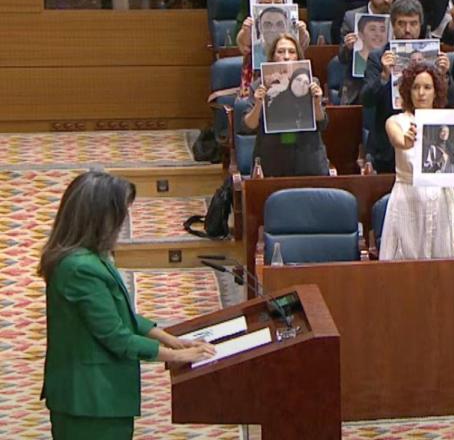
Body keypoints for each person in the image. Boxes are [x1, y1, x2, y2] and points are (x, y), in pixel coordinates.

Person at [40, 171, 215, 439]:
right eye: (118, 217)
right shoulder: (79, 268)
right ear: (97, 219)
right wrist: (178, 357)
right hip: (89, 400)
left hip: (99, 397)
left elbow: (120, 316)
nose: (122, 224)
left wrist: (172, 340)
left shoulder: (89, 258)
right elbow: (116, 337)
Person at [380, 63, 454, 260]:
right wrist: (407, 141)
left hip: (442, 197)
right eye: (415, 87)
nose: (421, 93)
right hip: (408, 198)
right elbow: (399, 141)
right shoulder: (396, 121)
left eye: (427, 87)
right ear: (408, 92)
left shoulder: (451, 120)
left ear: (436, 91)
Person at [362, 0, 454, 174]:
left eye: (413, 24)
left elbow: (452, 98)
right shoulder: (378, 57)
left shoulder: (433, 55)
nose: (407, 30)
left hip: (428, 138)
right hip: (387, 146)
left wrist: (444, 75)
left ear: (420, 24)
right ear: (392, 25)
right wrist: (384, 75)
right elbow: (367, 100)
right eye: (402, 23)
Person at [243, 34, 329, 177]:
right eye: (281, 52)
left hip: (306, 153)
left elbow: (323, 123)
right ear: (272, 56)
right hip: (272, 154)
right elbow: (248, 126)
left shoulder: (310, 82)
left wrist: (317, 102)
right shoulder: (259, 85)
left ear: (298, 56)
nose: (287, 56)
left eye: (292, 51)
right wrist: (259, 104)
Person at [335, 0, 395, 103]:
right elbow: (342, 58)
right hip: (357, 85)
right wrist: (348, 47)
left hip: (389, 84)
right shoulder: (351, 18)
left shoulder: (397, 19)